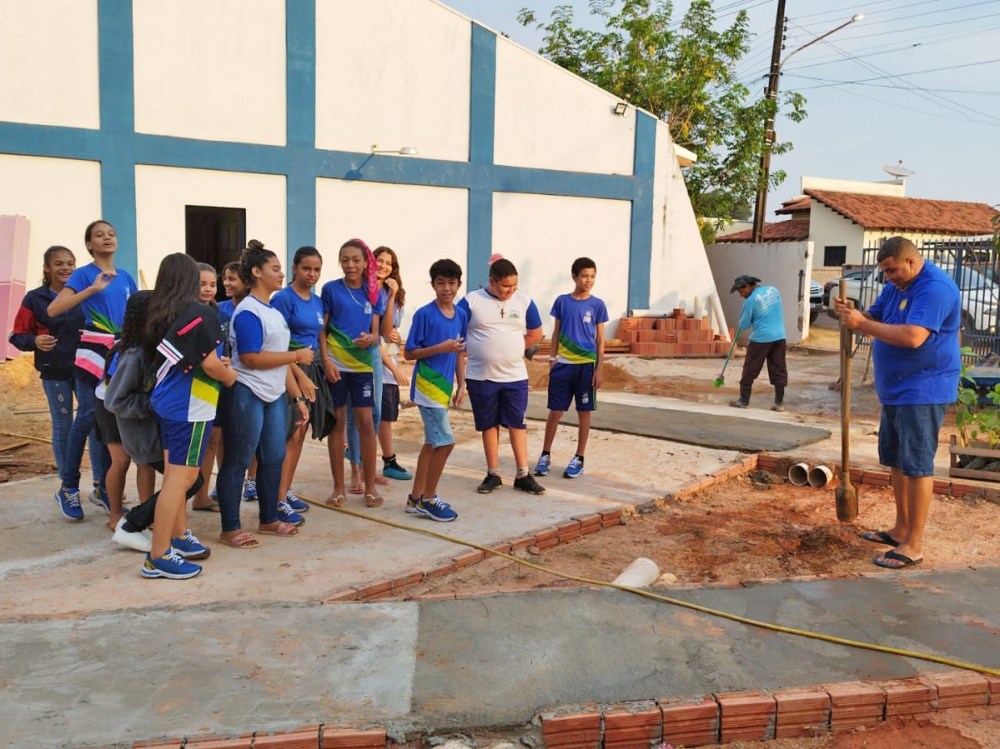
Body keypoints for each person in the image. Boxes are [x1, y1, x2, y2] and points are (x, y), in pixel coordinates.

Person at [835, 236, 961, 570]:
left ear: (911, 262)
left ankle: (914, 544)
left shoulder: (934, 288)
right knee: (896, 460)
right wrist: (853, 313)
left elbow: (913, 336)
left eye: (892, 270)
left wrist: (863, 325)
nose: (888, 278)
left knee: (917, 464)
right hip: (895, 388)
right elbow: (875, 314)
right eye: (885, 273)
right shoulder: (897, 287)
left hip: (924, 388)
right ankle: (901, 528)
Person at [144, 253, 237, 579]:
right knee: (181, 480)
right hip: (190, 407)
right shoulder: (200, 313)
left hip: (171, 402)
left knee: (174, 475)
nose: (208, 287)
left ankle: (179, 535)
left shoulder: (169, 311)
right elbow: (210, 364)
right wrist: (229, 376)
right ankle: (158, 555)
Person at [217, 241, 312, 549]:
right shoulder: (247, 311)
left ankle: (268, 518)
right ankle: (230, 528)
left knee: (273, 457)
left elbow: (278, 356)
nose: (281, 274)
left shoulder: (271, 311)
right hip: (247, 393)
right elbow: (251, 358)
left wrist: (296, 398)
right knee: (239, 460)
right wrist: (297, 357)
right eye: (275, 269)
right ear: (257, 272)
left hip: (273, 395)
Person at [47, 220, 138, 520]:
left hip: (121, 356)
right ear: (89, 244)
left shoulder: (125, 276)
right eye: (99, 235)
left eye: (111, 233)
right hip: (93, 354)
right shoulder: (84, 274)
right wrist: (93, 289)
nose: (107, 238)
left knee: (109, 421)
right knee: (86, 416)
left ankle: (102, 487)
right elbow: (54, 309)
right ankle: (69, 487)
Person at [7, 246, 100, 488]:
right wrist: (34, 341)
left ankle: (101, 484)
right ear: (47, 268)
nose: (66, 268)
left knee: (93, 422)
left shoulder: (84, 295)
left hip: (86, 369)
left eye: (70, 263)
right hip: (54, 370)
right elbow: (17, 335)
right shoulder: (35, 299)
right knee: (63, 425)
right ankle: (68, 483)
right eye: (59, 263)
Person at [458, 257, 545, 495]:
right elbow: (455, 332)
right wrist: (478, 350)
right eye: (506, 286)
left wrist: (515, 349)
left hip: (515, 376)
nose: (511, 291)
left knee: (518, 423)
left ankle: (522, 474)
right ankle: (493, 473)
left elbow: (536, 333)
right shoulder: (471, 301)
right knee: (489, 424)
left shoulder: (524, 300)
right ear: (492, 281)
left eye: (514, 285)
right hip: (481, 376)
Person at [320, 238, 391, 509]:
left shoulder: (374, 293)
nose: (350, 265)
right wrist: (326, 360)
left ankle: (370, 486)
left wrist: (369, 339)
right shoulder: (330, 290)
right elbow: (322, 330)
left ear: (365, 263)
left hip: (362, 367)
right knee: (337, 425)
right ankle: (339, 487)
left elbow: (376, 333)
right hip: (336, 367)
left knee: (366, 422)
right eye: (345, 259)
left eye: (356, 260)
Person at [402, 259, 467, 521]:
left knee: (432, 444)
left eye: (451, 283)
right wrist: (439, 348)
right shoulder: (425, 314)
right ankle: (428, 499)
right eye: (441, 283)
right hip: (427, 387)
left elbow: (460, 351)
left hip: (444, 388)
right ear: (433, 285)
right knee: (445, 443)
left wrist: (461, 384)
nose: (446, 288)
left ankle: (415, 497)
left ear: (459, 285)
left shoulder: (461, 315)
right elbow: (409, 352)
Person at [533, 257, 608, 479]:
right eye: (584, 276)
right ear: (574, 276)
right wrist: (552, 358)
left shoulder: (598, 305)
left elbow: (601, 339)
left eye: (593, 276)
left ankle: (579, 458)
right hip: (563, 366)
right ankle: (545, 454)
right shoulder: (562, 302)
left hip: (586, 366)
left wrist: (600, 368)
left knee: (583, 412)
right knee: (555, 411)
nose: (589, 280)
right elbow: (555, 333)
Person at [270, 246, 328, 518]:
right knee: (287, 435)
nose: (312, 274)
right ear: (294, 268)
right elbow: (276, 345)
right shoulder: (283, 299)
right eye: (306, 268)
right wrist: (298, 373)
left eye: (316, 269)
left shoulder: (317, 302)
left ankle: (285, 490)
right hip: (288, 373)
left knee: (300, 434)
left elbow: (319, 337)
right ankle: (276, 498)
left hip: (310, 372)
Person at [373, 246, 412, 481]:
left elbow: (389, 334)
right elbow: (375, 336)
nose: (384, 266)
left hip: (387, 359)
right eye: (379, 260)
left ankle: (388, 461)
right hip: (371, 363)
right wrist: (394, 369)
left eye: (389, 263)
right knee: (365, 415)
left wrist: (395, 337)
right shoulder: (364, 292)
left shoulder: (395, 296)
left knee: (386, 416)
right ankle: (361, 459)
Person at [729, 274, 787, 412]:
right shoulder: (774, 290)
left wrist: (746, 317)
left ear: (748, 287)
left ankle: (744, 401)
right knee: (778, 368)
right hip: (779, 337)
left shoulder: (750, 301)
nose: (740, 295)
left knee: (750, 368)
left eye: (740, 291)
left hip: (761, 339)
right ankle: (779, 404)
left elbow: (744, 325)